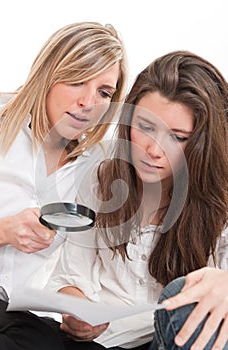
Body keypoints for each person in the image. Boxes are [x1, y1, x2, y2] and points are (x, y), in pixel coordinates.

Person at [46, 50, 228, 349]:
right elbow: (71, 275)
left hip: (173, 337)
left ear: (202, 143)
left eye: (178, 137)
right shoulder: (101, 175)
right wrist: (77, 309)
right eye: (145, 127)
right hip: (106, 341)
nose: (153, 150)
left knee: (184, 297)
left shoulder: (219, 203)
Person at [0, 21, 127, 350]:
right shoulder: (1, 131)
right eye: (77, 80)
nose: (88, 102)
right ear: (49, 74)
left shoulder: (100, 169)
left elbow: (71, 271)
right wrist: (5, 231)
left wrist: (79, 310)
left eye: (104, 92)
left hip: (34, 323)